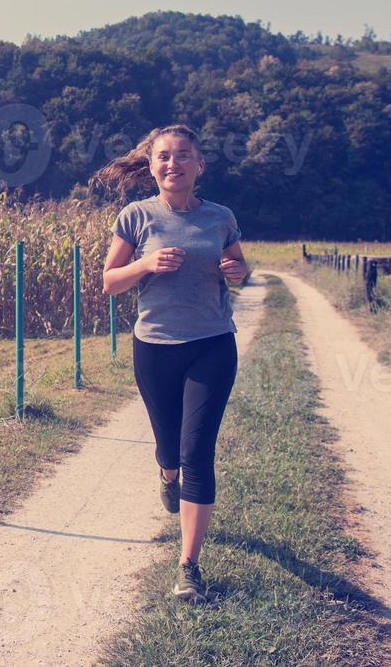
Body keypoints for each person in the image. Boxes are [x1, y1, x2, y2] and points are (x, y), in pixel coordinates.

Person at [89, 124, 250, 604]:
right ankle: (167, 476)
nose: (173, 163)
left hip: (212, 344)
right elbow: (109, 282)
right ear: (152, 165)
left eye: (183, 155)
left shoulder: (220, 218)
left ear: (200, 165)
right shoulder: (136, 217)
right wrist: (146, 265)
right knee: (169, 448)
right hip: (155, 347)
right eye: (164, 156)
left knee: (197, 452)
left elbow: (239, 269)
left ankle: (189, 566)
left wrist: (239, 271)